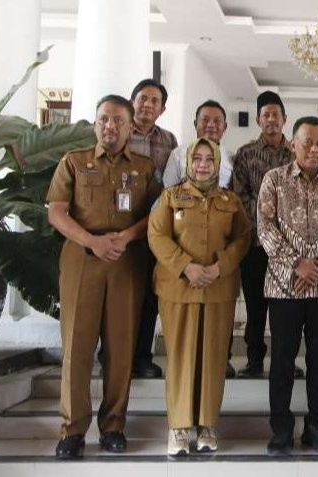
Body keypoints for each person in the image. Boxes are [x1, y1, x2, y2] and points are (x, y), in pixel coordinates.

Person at [47, 94, 161, 459]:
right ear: (95, 124)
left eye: (117, 121)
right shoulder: (74, 163)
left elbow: (157, 215)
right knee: (77, 349)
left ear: (130, 127)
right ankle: (72, 429)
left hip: (127, 263)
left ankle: (113, 426)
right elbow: (57, 212)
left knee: (121, 349)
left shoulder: (144, 168)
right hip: (82, 261)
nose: (109, 126)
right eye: (103, 120)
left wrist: (125, 237)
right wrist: (92, 242)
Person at [258, 116, 318, 456]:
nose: (314, 149)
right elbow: (265, 229)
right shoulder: (274, 180)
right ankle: (281, 429)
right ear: (292, 144)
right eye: (307, 142)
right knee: (282, 360)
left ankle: (316, 425)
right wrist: (298, 264)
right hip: (284, 287)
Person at [148, 137, 250, 455]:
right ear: (188, 162)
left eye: (209, 159)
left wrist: (221, 266)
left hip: (218, 289)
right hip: (178, 289)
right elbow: (156, 234)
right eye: (198, 159)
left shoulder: (230, 200)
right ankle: (179, 428)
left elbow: (243, 237)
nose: (203, 164)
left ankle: (207, 425)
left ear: (217, 165)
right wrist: (185, 267)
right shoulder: (170, 197)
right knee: (180, 357)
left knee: (214, 358)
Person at [232, 91, 298, 378]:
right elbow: (239, 194)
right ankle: (254, 361)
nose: (271, 119)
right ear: (258, 120)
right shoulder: (246, 153)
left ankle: (286, 362)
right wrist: (264, 221)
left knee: (286, 309)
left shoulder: (296, 152)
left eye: (276, 114)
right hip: (256, 243)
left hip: (291, 245)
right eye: (265, 115)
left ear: (285, 119)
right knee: (256, 305)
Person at [126, 78, 178, 379]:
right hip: (119, 225)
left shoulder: (169, 141)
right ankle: (113, 355)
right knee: (120, 296)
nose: (147, 105)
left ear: (162, 108)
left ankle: (143, 357)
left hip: (155, 228)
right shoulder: (119, 130)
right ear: (133, 101)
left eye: (154, 101)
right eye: (143, 98)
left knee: (149, 296)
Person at [163, 99, 233, 189]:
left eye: (217, 121)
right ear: (195, 124)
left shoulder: (232, 158)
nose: (211, 125)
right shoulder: (177, 154)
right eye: (205, 120)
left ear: (225, 127)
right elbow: (168, 191)